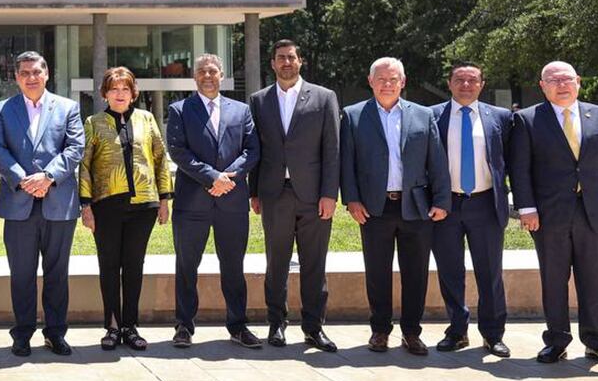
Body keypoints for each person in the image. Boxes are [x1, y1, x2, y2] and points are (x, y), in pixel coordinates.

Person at [510, 61, 598, 369]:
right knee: (553, 279)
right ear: (542, 86)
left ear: (578, 81)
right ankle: (556, 341)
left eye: (566, 79)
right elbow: (520, 169)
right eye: (553, 80)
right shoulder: (527, 120)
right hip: (548, 215)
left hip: (593, 212)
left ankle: (596, 344)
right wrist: (526, 208)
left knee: (592, 279)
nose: (561, 84)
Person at [340, 56, 450, 356]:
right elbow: (346, 163)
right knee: (377, 272)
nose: (387, 84)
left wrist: (441, 200)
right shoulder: (353, 116)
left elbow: (436, 160)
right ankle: (380, 330)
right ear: (370, 81)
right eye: (381, 79)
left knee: (416, 272)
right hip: (374, 208)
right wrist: (351, 199)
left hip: (415, 206)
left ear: (403, 82)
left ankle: (412, 333)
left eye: (393, 79)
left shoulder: (423, 116)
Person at [247, 40, 340, 352]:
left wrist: (329, 193)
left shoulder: (324, 98)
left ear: (300, 61)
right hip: (274, 194)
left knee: (315, 263)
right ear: (272, 64)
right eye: (280, 58)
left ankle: (314, 328)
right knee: (276, 262)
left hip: (314, 196)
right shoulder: (258, 100)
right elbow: (255, 151)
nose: (286, 62)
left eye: (291, 57)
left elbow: (333, 150)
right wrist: (255, 191)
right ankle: (276, 323)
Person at [0, 51, 84, 357]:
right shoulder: (3, 110)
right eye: (25, 73)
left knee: (57, 273)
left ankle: (55, 333)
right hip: (19, 204)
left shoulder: (68, 107)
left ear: (47, 74)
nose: (31, 77)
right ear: (17, 78)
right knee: (21, 274)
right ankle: (22, 333)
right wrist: (23, 179)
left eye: (36, 72)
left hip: (58, 203)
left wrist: (47, 177)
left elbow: (74, 148)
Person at [168, 54, 261, 349]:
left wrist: (227, 179)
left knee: (233, 266)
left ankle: (238, 325)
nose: (207, 76)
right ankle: (184, 325)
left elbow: (252, 150)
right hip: (192, 203)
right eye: (201, 72)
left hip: (231, 203)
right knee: (186, 266)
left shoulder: (242, 111)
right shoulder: (180, 110)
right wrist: (212, 177)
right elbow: (178, 152)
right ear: (194, 77)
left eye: (213, 71)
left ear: (222, 75)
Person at [79, 66, 170, 351]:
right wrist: (85, 205)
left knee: (134, 265)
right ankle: (112, 326)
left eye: (125, 89)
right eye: (114, 89)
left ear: (133, 93)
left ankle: (130, 327)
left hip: (143, 206)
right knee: (109, 265)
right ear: (105, 93)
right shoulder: (93, 122)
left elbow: (159, 157)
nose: (120, 94)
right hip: (106, 206)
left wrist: (165, 199)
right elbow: (83, 166)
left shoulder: (146, 118)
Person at [428, 62, 514, 357]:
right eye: (460, 80)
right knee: (450, 271)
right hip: (445, 205)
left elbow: (510, 161)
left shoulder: (500, 117)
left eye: (472, 80)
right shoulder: (432, 116)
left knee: (490, 272)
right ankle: (457, 330)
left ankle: (493, 334)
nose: (466, 85)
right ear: (449, 83)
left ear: (482, 84)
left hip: (485, 204)